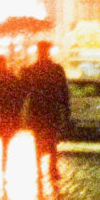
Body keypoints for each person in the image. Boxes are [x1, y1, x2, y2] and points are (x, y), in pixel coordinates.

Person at [21, 39, 71, 175]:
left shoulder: (32, 69)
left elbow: (24, 90)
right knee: (52, 137)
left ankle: (39, 167)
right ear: (48, 52)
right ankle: (52, 167)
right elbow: (64, 90)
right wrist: (66, 108)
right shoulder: (56, 69)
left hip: (37, 107)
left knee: (38, 138)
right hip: (51, 107)